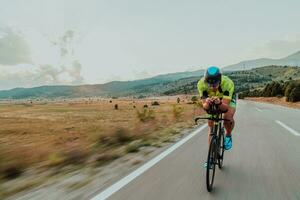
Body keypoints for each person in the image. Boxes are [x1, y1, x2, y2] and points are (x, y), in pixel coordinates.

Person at [197, 66, 236, 154]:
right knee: (211, 124)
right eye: (209, 85)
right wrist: (207, 102)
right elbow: (205, 108)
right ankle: (211, 156)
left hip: (227, 99)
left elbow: (225, 108)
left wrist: (219, 103)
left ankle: (228, 135)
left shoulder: (228, 83)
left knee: (227, 118)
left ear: (220, 80)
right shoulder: (201, 84)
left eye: (214, 85)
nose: (212, 87)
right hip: (211, 98)